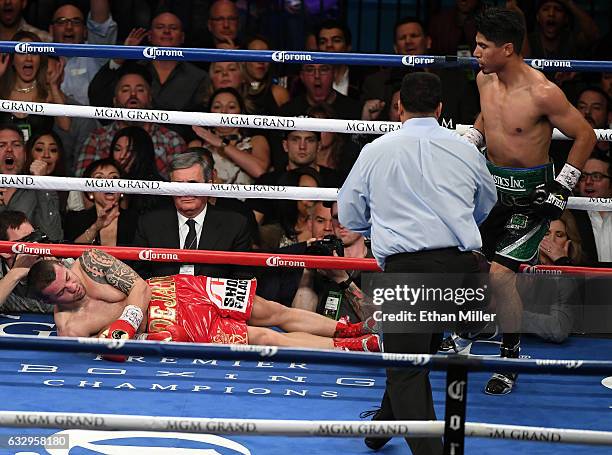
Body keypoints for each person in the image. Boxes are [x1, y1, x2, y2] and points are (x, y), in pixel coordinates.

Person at [338, 72, 497, 454]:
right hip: (461, 270)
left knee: (406, 368)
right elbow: (486, 202)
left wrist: (382, 221)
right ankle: (380, 429)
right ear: (440, 108)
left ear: (399, 107)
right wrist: (452, 221)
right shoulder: (465, 150)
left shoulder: (376, 150)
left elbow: (349, 214)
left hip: (408, 271)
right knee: (414, 355)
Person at [468, 7, 595, 395]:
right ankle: (457, 332)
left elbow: (586, 135)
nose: (475, 52)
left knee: (500, 277)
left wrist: (562, 187)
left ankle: (510, 356)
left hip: (530, 200)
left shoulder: (543, 92)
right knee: (465, 261)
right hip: (490, 191)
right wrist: (469, 143)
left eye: (482, 46)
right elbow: (487, 120)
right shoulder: (483, 80)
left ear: (507, 49)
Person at [26, 248, 380, 353]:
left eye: (68, 280)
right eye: (60, 293)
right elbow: (108, 354)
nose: (71, 289)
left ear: (65, 266)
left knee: (271, 311)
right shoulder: (69, 327)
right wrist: (114, 342)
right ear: (49, 301)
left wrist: (124, 324)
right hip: (174, 324)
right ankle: (349, 348)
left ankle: (347, 328)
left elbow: (138, 287)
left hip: (180, 287)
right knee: (266, 338)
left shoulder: (91, 261)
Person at [132, 151, 252, 280]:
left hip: (214, 298)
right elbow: (139, 277)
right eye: (179, 185)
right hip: (163, 297)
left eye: (193, 184)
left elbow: (242, 279)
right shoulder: (150, 223)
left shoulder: (235, 224)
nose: (186, 192)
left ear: (209, 185)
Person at [88, 11, 209, 139]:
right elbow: (97, 96)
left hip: (178, 148)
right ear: (150, 36)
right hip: (128, 141)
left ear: (182, 37)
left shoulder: (198, 76)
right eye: (160, 27)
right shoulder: (132, 71)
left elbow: (202, 120)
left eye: (173, 28)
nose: (167, 31)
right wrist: (122, 55)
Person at [76, 64, 187, 178]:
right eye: (125, 90)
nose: (133, 95)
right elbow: (83, 184)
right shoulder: (97, 139)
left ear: (150, 98)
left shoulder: (172, 141)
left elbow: (180, 187)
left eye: (140, 90)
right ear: (115, 101)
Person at [189, 87, 270, 185]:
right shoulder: (198, 145)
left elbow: (259, 171)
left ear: (241, 112)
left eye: (231, 107)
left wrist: (221, 143)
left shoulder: (256, 141)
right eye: (217, 107)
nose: (224, 111)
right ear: (210, 112)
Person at [0, 31, 71, 139]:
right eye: (22, 53)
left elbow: (65, 126)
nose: (29, 58)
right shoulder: (1, 91)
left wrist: (53, 86)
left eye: (33, 53)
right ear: (12, 60)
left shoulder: (49, 94)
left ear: (40, 60)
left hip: (38, 155)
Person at [0, 124, 63, 241]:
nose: (9, 149)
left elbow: (53, 236)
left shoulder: (40, 188)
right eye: (1, 145)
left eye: (16, 145)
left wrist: (41, 182)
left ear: (25, 153)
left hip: (28, 256)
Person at [49, 1, 117, 106]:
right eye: (61, 21)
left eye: (76, 22)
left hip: (89, 120)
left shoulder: (95, 53)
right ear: (51, 30)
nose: (69, 27)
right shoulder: (39, 56)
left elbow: (100, 26)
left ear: (85, 31)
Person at [63, 158, 138, 246]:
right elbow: (70, 254)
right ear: (90, 191)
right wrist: (95, 228)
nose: (107, 183)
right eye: (99, 178)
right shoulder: (75, 219)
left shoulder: (137, 220)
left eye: (114, 177)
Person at [0, 210, 52, 313]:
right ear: (5, 251)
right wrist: (15, 274)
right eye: (26, 240)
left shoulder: (55, 262)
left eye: (35, 236)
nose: (35, 245)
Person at [572, 151, 612, 264]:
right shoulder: (570, 216)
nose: (588, 182)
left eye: (596, 176)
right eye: (583, 176)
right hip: (585, 280)